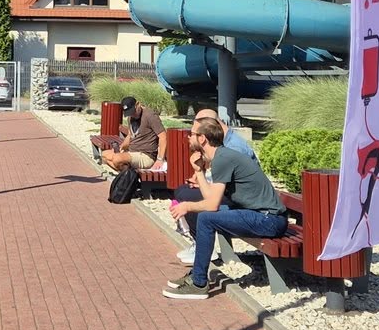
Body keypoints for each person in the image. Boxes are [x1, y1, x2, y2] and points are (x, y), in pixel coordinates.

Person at [163, 118, 288, 300]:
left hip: (269, 219)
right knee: (204, 215)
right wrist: (199, 172)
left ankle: (199, 284)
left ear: (203, 139)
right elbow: (210, 199)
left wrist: (187, 205)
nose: (189, 137)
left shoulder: (223, 158)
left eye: (192, 134)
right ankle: (197, 274)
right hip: (262, 215)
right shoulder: (221, 156)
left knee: (206, 217)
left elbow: (212, 205)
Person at [168, 106, 257, 248]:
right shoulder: (224, 141)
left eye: (195, 132)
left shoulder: (234, 147)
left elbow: (232, 181)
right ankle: (196, 241)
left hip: (241, 198)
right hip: (229, 191)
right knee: (182, 190)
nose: (192, 137)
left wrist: (205, 182)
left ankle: (201, 246)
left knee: (188, 196)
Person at [99, 95, 163, 175]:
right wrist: (121, 147)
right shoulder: (131, 118)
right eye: (129, 113)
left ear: (138, 104)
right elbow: (130, 135)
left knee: (117, 159)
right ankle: (128, 175)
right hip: (132, 152)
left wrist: (160, 159)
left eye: (133, 111)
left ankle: (128, 176)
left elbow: (163, 136)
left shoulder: (150, 115)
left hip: (146, 155)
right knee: (104, 155)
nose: (132, 115)